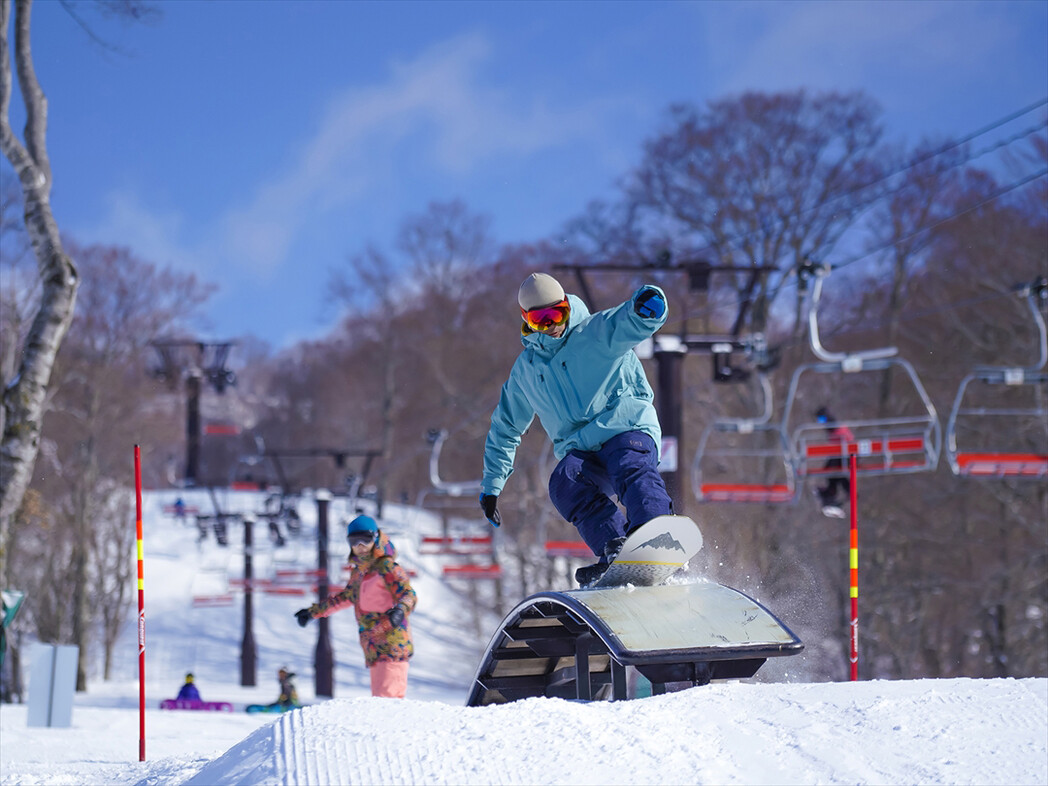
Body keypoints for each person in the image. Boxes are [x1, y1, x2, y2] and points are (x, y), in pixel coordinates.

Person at [479, 272, 674, 587]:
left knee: (629, 464)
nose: (552, 324)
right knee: (564, 482)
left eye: (558, 313)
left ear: (568, 307)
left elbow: (630, 321)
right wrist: (492, 485)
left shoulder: (594, 333)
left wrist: (648, 304)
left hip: (626, 428)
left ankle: (652, 529)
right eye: (541, 319)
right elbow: (506, 427)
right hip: (584, 451)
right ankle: (616, 547)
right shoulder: (526, 372)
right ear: (526, 320)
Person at [295, 515, 417, 699]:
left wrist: (400, 610)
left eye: (365, 539)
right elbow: (346, 597)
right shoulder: (360, 571)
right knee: (380, 699)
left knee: (388, 699)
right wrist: (313, 613)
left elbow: (408, 594)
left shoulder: (387, 567)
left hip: (392, 642)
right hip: (373, 644)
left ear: (375, 538)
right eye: (354, 541)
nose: (360, 545)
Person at [814, 406, 854, 518]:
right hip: (841, 453)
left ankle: (833, 493)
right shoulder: (831, 426)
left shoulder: (833, 424)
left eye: (821, 420)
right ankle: (832, 493)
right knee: (831, 470)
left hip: (846, 454)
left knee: (834, 470)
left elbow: (844, 438)